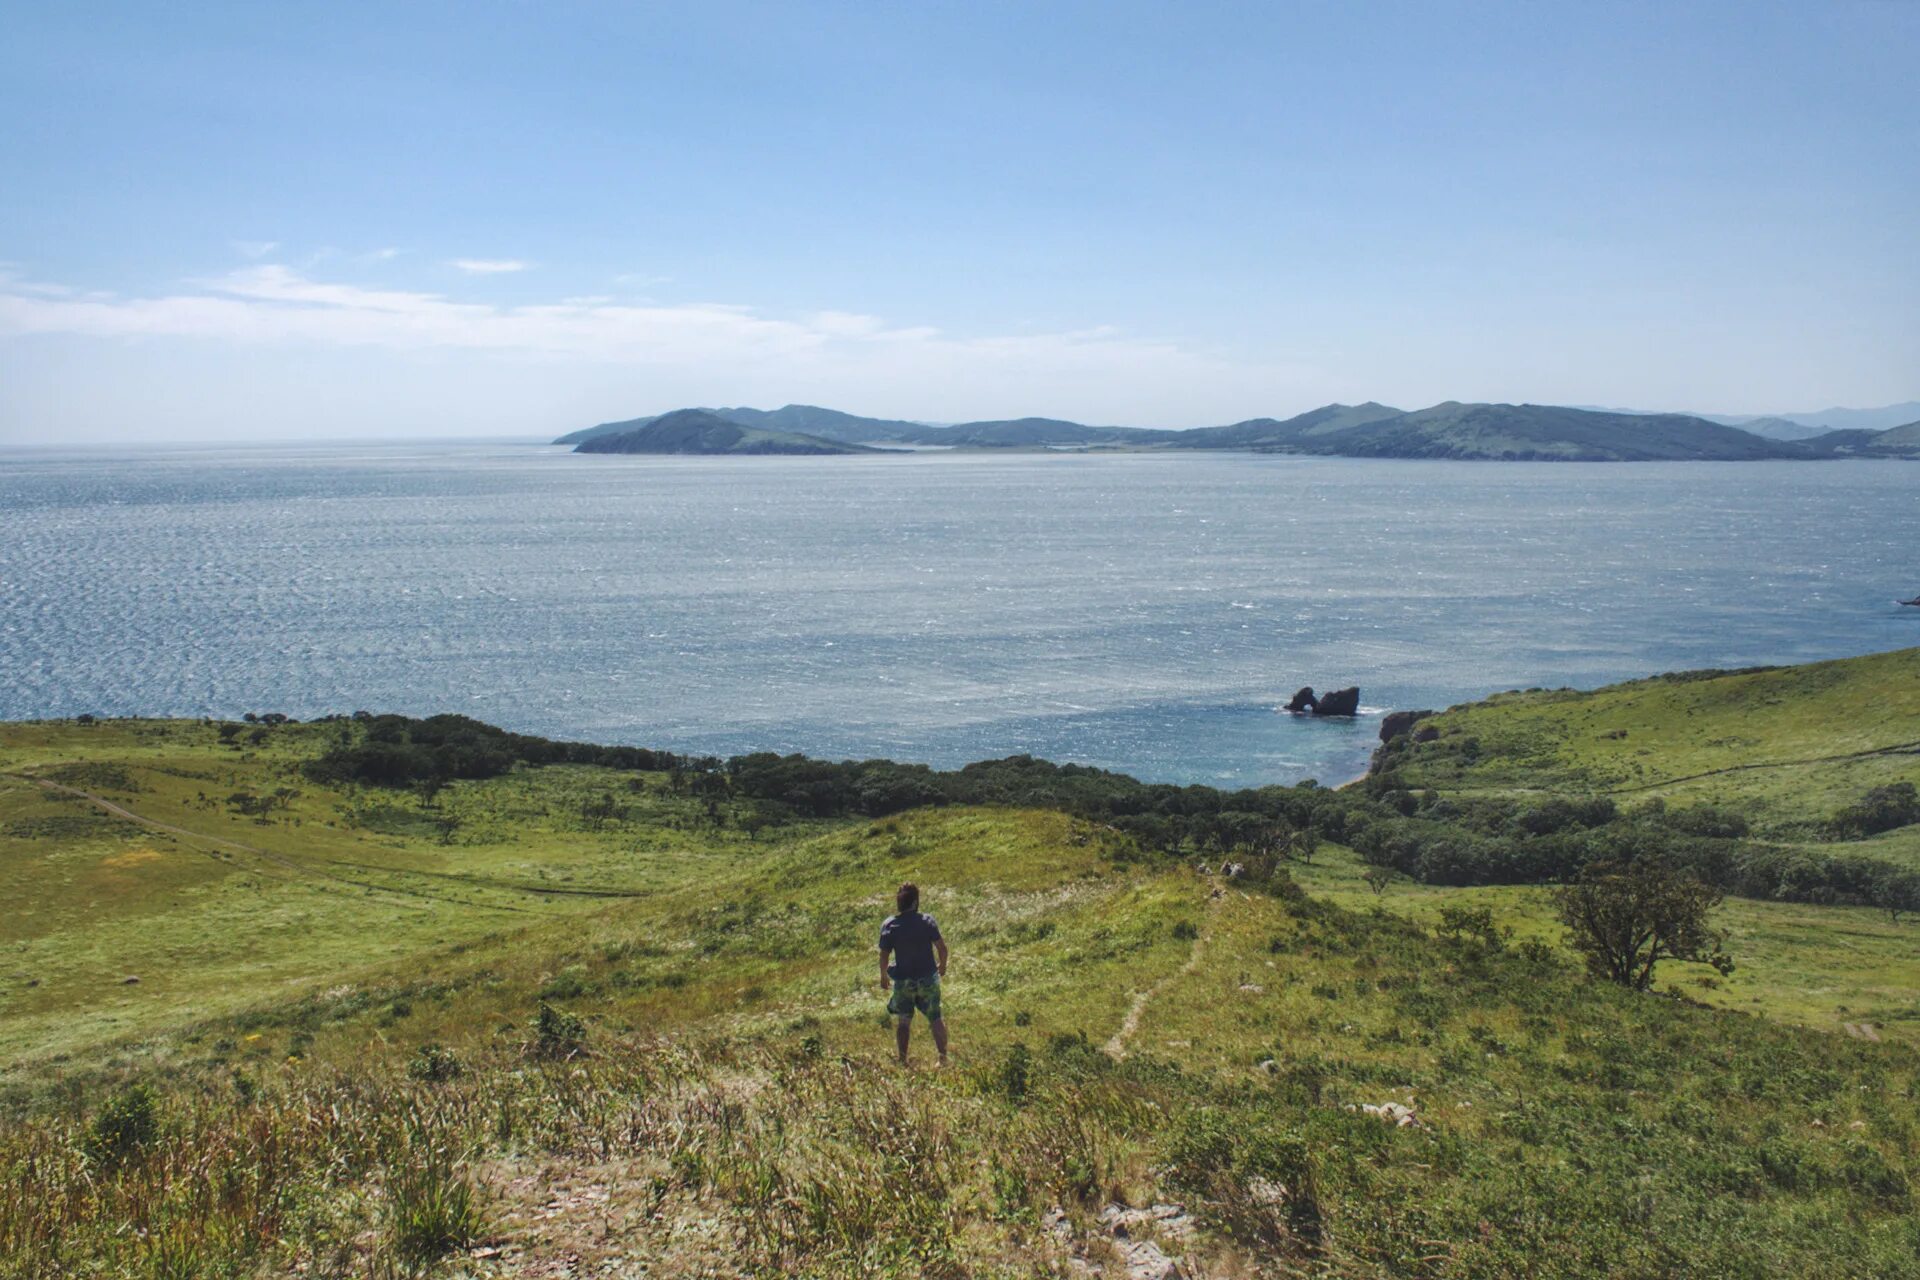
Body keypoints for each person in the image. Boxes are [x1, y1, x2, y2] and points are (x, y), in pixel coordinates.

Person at [878, 881, 949, 1066]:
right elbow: (942, 948)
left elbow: (884, 955)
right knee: (935, 1017)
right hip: (927, 977)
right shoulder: (927, 921)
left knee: (904, 1021)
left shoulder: (890, 925)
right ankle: (942, 1058)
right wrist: (942, 966)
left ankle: (903, 1060)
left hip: (904, 980)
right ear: (915, 902)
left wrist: (884, 975)